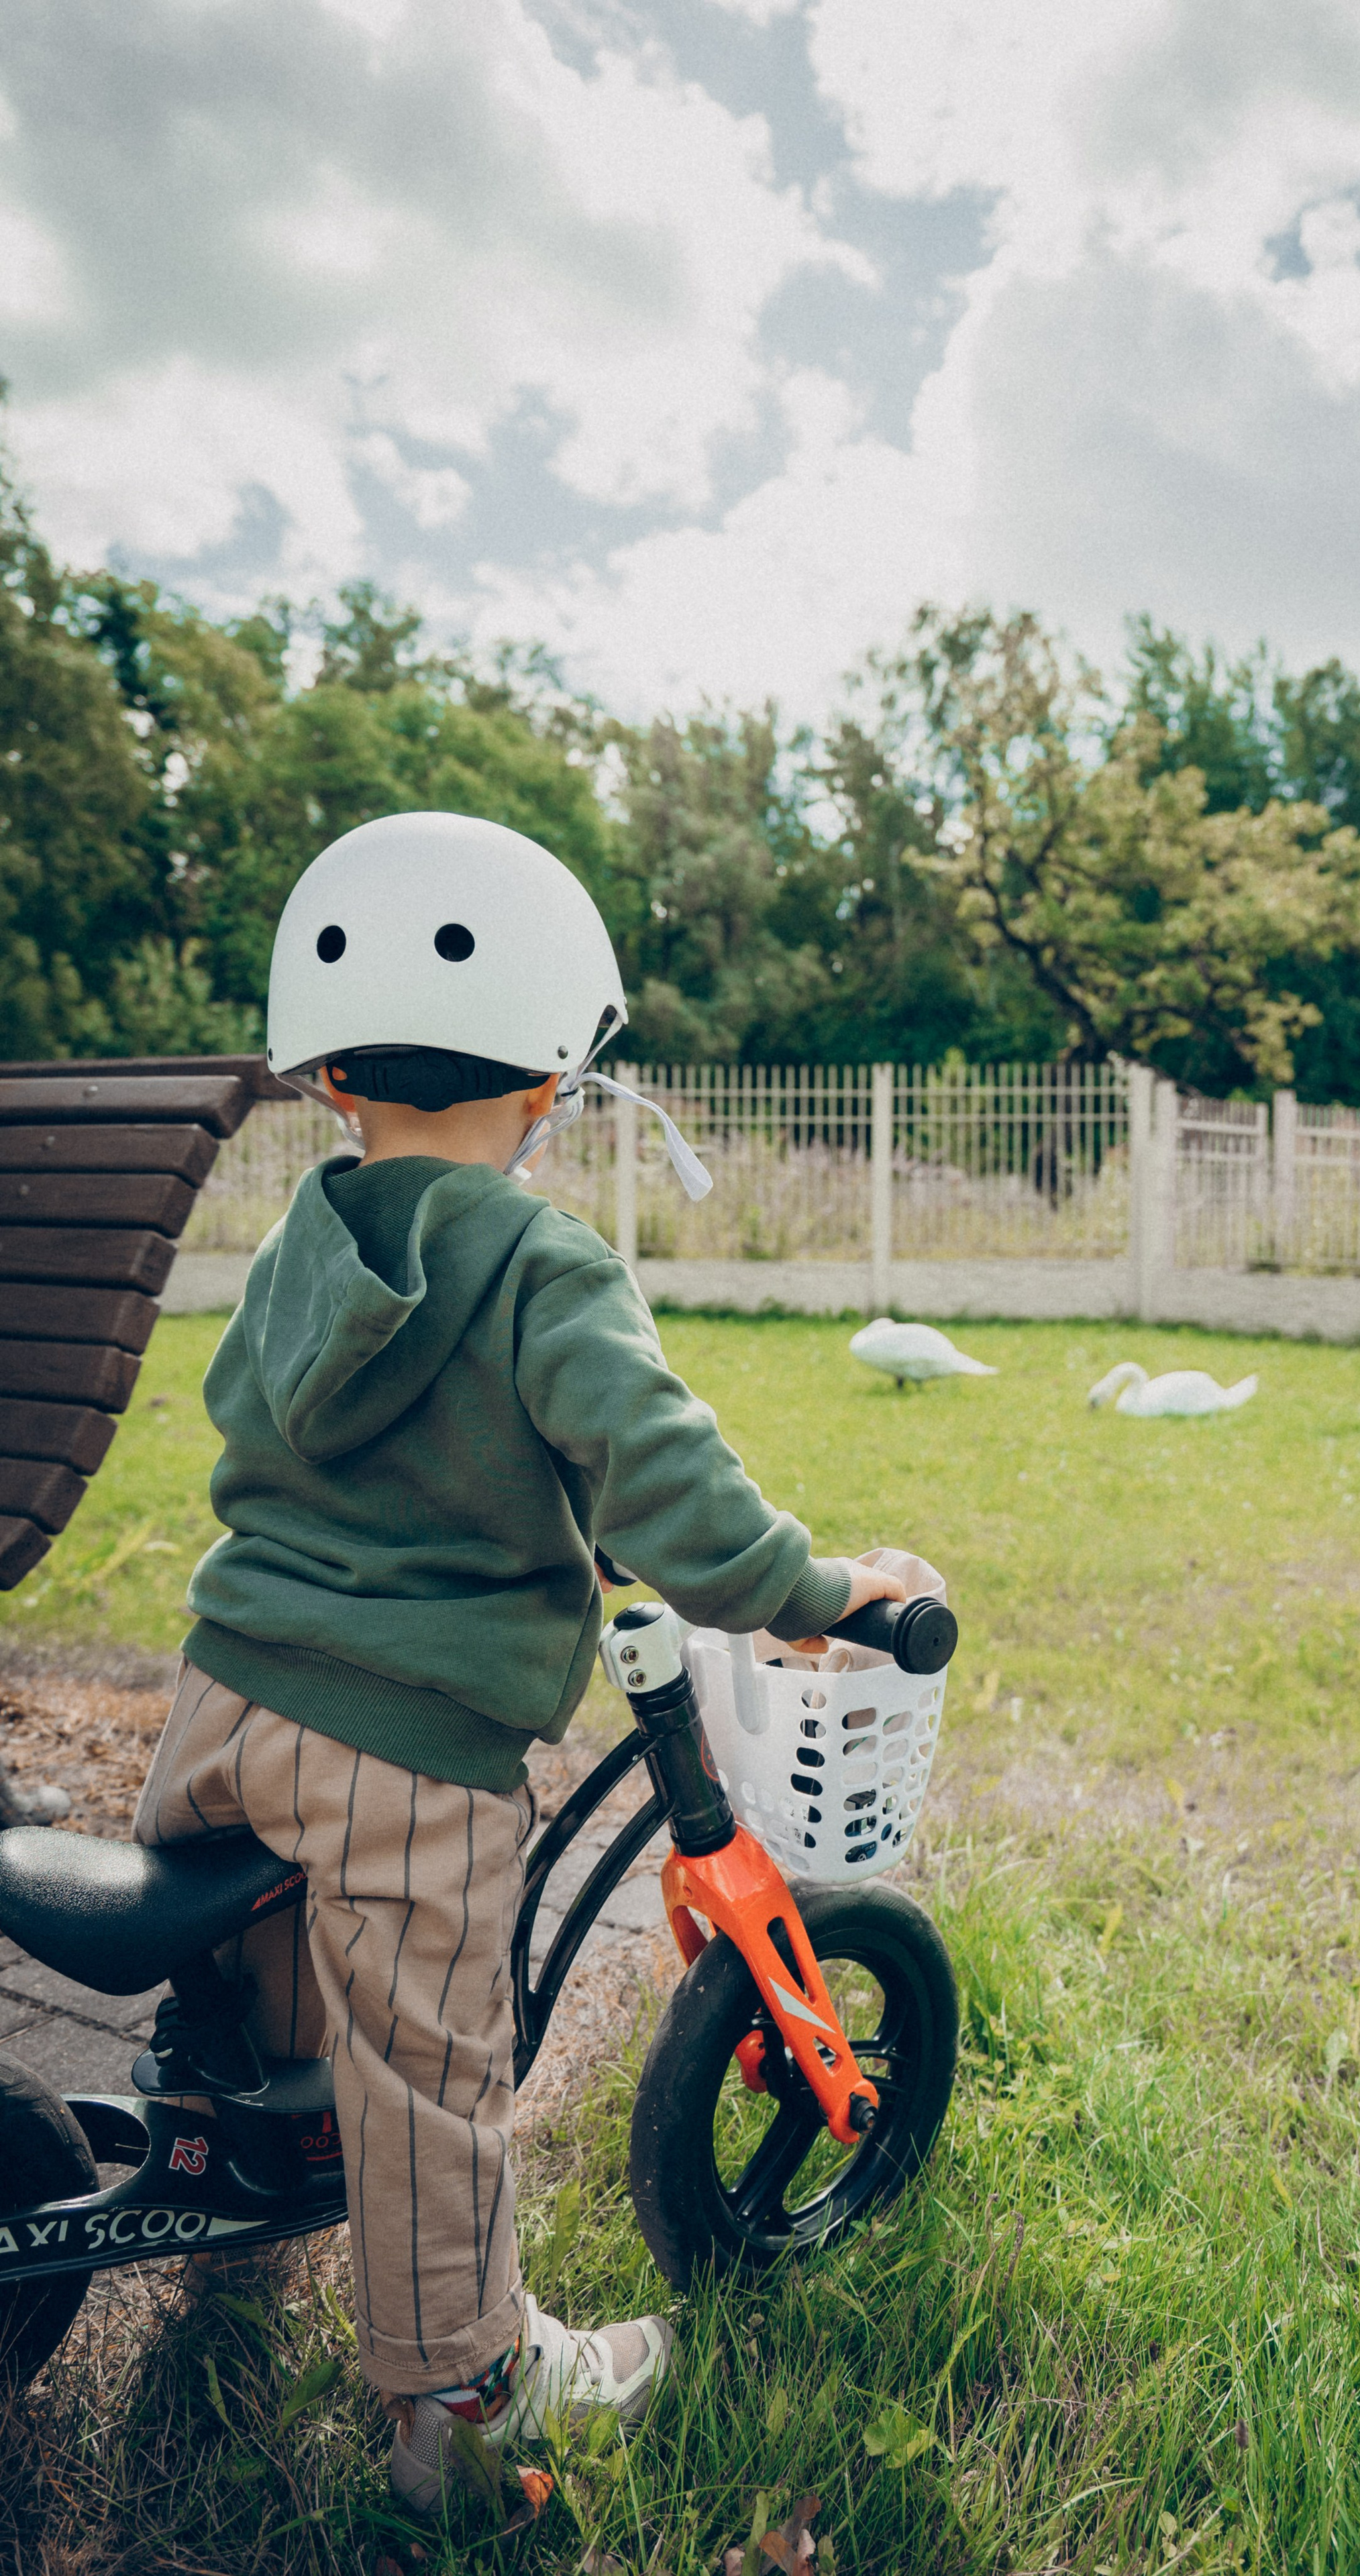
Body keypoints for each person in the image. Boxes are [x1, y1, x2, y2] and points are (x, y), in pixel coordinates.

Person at [132, 810, 905, 2514]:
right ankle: (464, 2415)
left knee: (263, 1973)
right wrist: (809, 1588)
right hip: (399, 1754)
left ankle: (230, 2140)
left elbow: (252, 1422)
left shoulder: (298, 1239)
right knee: (431, 2075)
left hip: (217, 1701)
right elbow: (669, 1488)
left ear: (331, 1075)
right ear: (553, 1085)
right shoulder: (544, 1258)